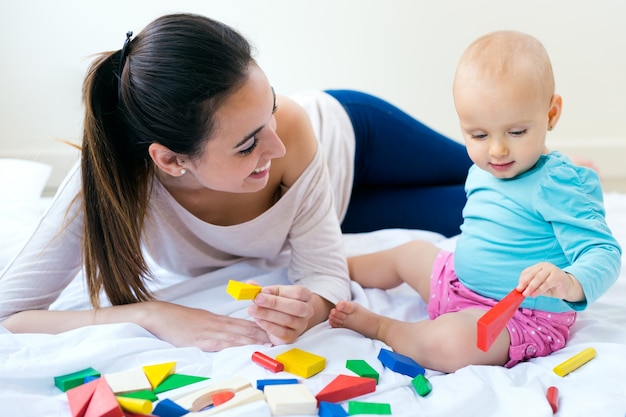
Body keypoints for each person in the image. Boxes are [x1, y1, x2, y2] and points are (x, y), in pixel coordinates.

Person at [0, 13, 473, 351]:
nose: (277, 146)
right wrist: (153, 313)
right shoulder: (107, 186)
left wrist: (313, 304)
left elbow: (324, 275)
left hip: (356, 136)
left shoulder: (292, 131)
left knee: (501, 178)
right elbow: (8, 314)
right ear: (170, 160)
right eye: (247, 144)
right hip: (344, 210)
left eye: (268, 106)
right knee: (481, 209)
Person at [329, 30, 622, 373]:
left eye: (516, 132)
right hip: (455, 282)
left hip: (515, 315)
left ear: (551, 114)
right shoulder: (484, 168)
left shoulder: (559, 184)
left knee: (449, 345)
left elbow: (604, 252)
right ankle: (333, 268)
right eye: (479, 135)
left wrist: (569, 281)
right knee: (408, 252)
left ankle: (384, 327)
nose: (496, 150)